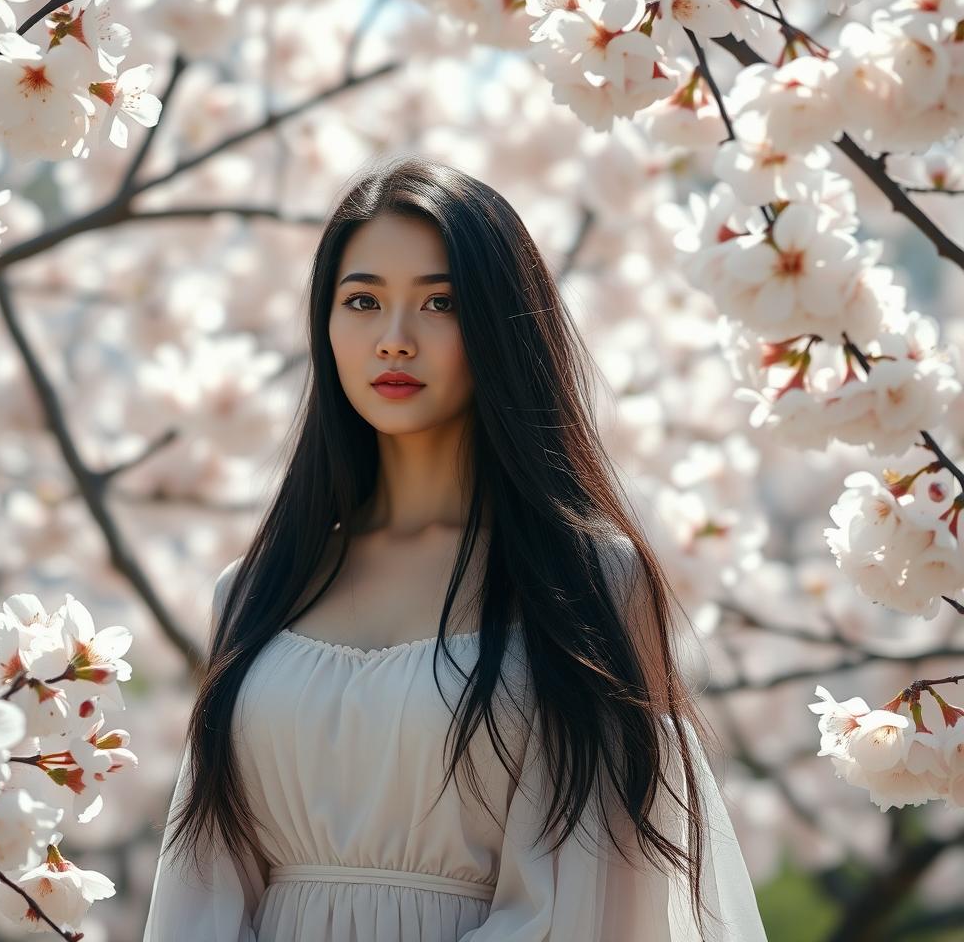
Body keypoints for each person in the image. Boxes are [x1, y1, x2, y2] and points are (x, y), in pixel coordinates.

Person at [142, 155, 769, 941]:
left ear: (502, 325)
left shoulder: (588, 583)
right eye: (362, 301)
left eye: (440, 302)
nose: (394, 340)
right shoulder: (253, 590)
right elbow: (200, 886)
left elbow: (590, 905)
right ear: (324, 325)